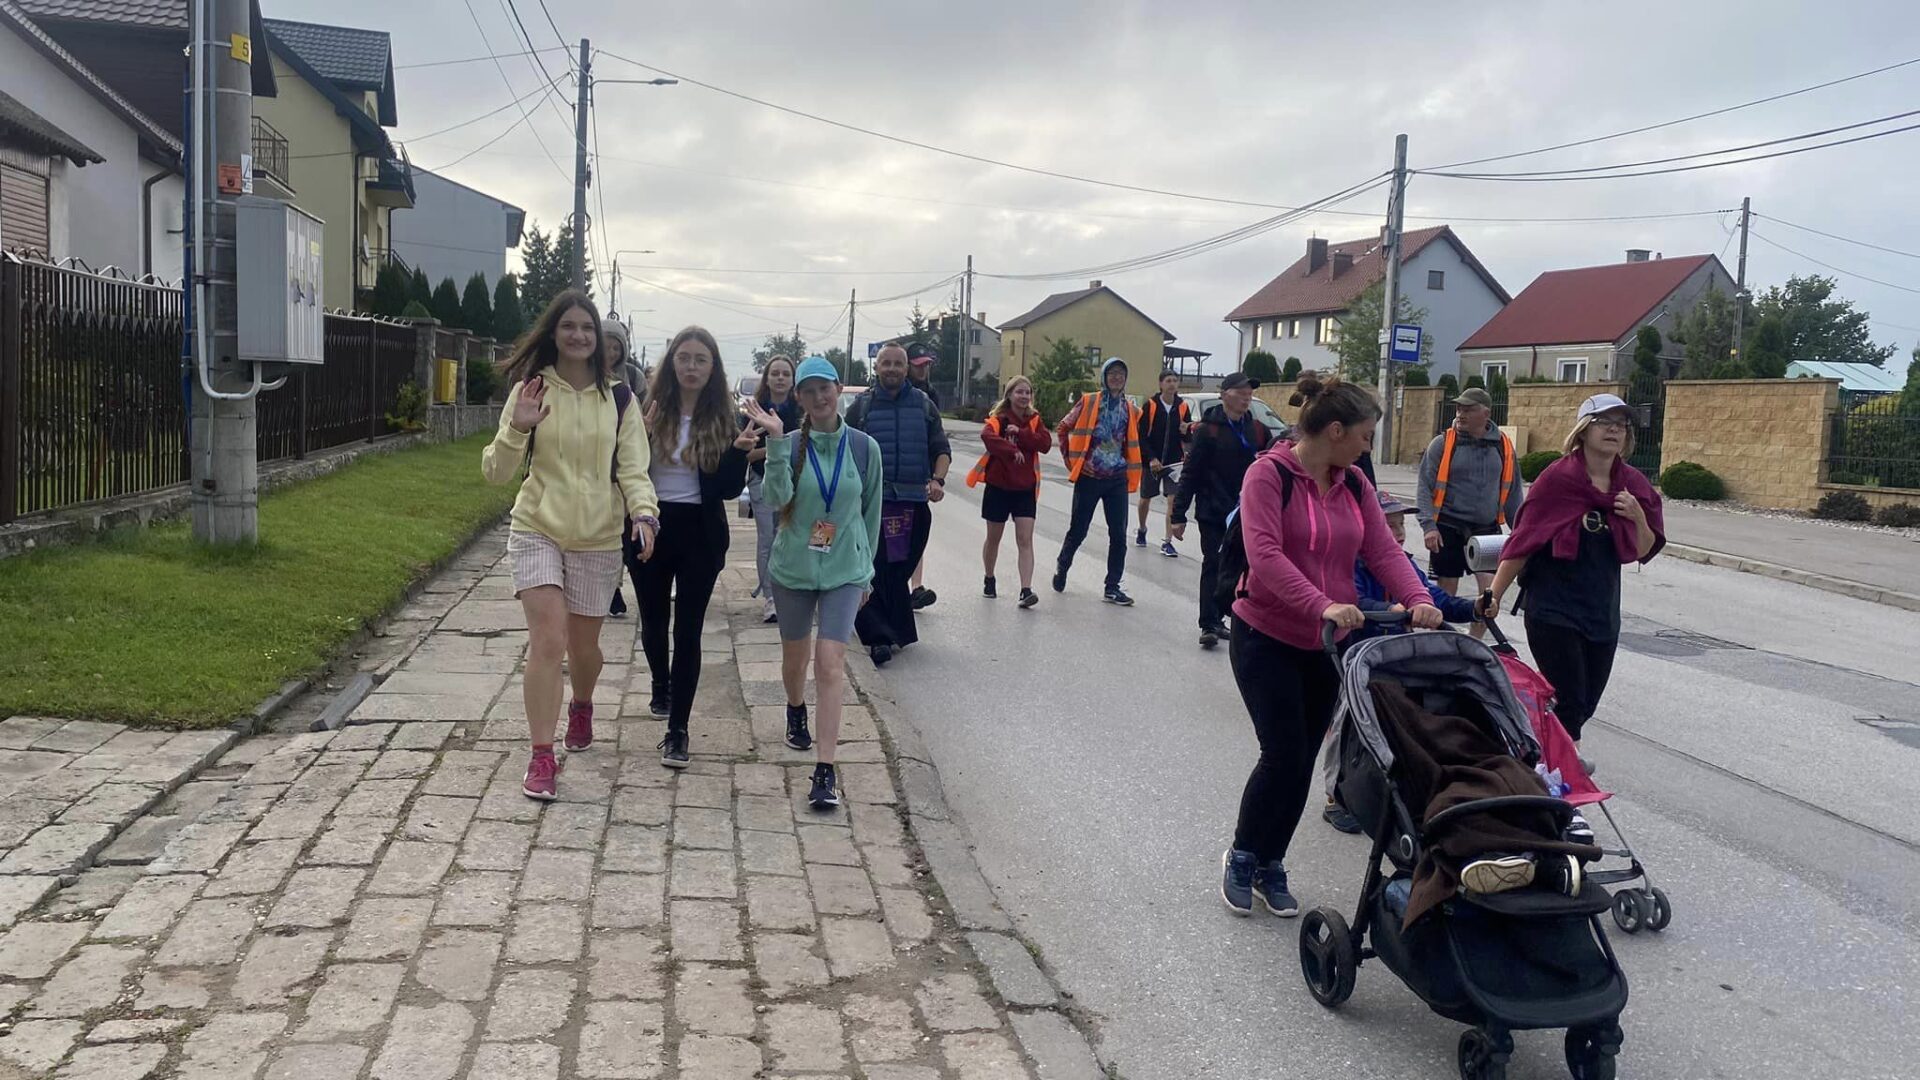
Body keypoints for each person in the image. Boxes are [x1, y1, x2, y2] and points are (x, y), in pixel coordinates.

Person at [1221, 373, 1441, 918]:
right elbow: (1265, 555)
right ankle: (1243, 855)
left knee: (1301, 762)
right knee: (1282, 753)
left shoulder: (1355, 484)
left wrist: (1418, 598)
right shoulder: (1268, 475)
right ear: (1336, 430)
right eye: (1365, 436)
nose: (1368, 447)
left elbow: (1382, 551)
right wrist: (1321, 602)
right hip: (1265, 634)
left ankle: (1272, 862)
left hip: (1324, 645)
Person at [482, 290, 658, 801]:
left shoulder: (620, 399)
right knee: (548, 640)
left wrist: (644, 513)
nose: (578, 335)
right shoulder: (531, 390)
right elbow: (495, 472)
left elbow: (633, 468)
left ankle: (582, 703)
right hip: (537, 526)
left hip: (598, 537)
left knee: (584, 649)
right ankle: (541, 754)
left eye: (587, 328)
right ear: (554, 333)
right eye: (569, 326)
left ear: (599, 339)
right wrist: (518, 428)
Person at [1478, 394, 1666, 761]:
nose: (1614, 430)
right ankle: (1564, 775)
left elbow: (1644, 549)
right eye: (1604, 422)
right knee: (1570, 703)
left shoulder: (1632, 485)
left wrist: (1637, 517)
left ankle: (1526, 751)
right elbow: (1523, 541)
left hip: (1602, 612)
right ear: (1583, 430)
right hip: (1553, 609)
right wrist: (1494, 595)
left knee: (1584, 705)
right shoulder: (1558, 479)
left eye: (1621, 424)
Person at [745, 357, 885, 808]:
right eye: (809, 391)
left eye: (825, 388)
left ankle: (825, 771)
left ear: (839, 389)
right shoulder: (789, 445)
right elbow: (775, 498)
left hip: (845, 569)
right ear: (800, 398)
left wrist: (867, 572)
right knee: (796, 659)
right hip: (794, 569)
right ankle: (794, 707)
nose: (819, 397)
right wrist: (775, 444)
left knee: (829, 661)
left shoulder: (864, 448)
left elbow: (871, 514)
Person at [1319, 491, 1480, 834]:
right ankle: (1336, 797)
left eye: (1400, 525)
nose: (1398, 532)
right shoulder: (1350, 563)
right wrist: (1385, 609)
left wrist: (1474, 608)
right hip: (1356, 656)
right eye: (1388, 526)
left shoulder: (1404, 563)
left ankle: (1393, 789)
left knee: (1398, 724)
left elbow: (1434, 598)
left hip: (1397, 660)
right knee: (1348, 727)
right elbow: (1350, 597)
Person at [638, 327, 752, 769]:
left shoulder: (724, 418)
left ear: (712, 368)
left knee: (688, 631)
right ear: (671, 364)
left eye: (700, 359)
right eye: (683, 358)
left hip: (700, 533)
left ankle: (678, 730)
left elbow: (726, 489)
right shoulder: (648, 409)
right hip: (651, 524)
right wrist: (640, 436)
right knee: (653, 621)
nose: (691, 366)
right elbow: (623, 469)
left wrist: (737, 453)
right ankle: (660, 683)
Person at [847, 345, 952, 666]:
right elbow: (844, 449)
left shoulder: (924, 405)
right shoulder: (861, 407)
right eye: (886, 363)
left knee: (900, 568)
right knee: (875, 568)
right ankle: (877, 636)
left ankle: (893, 628)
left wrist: (938, 480)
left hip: (912, 502)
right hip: (874, 503)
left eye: (898, 364)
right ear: (876, 368)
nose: (892, 368)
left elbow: (941, 448)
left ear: (906, 369)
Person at [1171, 371, 1272, 648]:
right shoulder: (1208, 430)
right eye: (1241, 392)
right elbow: (1190, 473)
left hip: (1246, 513)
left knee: (1243, 568)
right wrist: (1178, 515)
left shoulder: (1257, 430)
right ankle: (1209, 623)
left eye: (1249, 393)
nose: (1246, 397)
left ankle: (1232, 618)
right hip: (1213, 511)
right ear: (1224, 395)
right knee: (1214, 564)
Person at [1415, 387, 1522, 619]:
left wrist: (1522, 533)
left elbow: (1513, 493)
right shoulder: (1443, 443)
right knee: (1446, 591)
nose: (1460, 414)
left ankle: (1475, 638)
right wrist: (1428, 526)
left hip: (1486, 528)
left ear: (1486, 414)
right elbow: (1424, 487)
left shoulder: (1503, 446)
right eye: (1459, 409)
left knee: (1490, 595)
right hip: (1448, 527)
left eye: (1468, 409)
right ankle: (1444, 636)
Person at [1052, 357, 1142, 606]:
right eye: (1112, 373)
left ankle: (1112, 586)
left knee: (1119, 535)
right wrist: (1073, 462)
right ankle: (1063, 565)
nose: (1117, 377)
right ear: (1104, 377)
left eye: (1121, 373)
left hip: (1117, 479)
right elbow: (1063, 427)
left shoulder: (1131, 409)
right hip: (1089, 478)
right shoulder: (1089, 401)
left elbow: (1135, 441)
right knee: (1079, 530)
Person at [965, 375, 1051, 608]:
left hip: (1025, 489)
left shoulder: (1034, 420)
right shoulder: (999, 419)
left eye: (1027, 392)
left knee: (1025, 539)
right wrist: (1011, 450)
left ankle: (1026, 590)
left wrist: (1021, 434)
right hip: (999, 487)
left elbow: (1044, 444)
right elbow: (987, 436)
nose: (1024, 396)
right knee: (994, 538)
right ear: (1010, 394)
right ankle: (989, 577)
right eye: (1019, 392)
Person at [744, 355, 803, 624]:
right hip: (762, 480)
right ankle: (770, 597)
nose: (780, 378)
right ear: (766, 378)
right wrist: (777, 446)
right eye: (775, 373)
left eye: (786, 374)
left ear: (793, 380)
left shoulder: (802, 410)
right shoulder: (754, 411)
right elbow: (746, 454)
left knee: (792, 536)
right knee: (767, 538)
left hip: (797, 482)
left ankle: (792, 590)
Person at [1135, 370, 1192, 558]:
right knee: (1145, 499)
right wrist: (1151, 458)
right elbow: (1141, 436)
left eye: (1175, 380)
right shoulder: (1150, 406)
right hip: (1152, 462)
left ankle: (1167, 542)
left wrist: (1186, 430)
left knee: (1172, 501)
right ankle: (1142, 528)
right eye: (1168, 381)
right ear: (1161, 384)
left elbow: (1188, 437)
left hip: (1173, 463)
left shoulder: (1182, 406)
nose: (1172, 384)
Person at [904, 342, 942, 610]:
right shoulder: (887, 392)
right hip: (891, 476)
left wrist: (935, 476)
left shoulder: (930, 396)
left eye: (926, 365)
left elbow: (935, 438)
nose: (923, 369)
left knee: (915, 530)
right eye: (918, 365)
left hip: (919, 474)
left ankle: (916, 587)